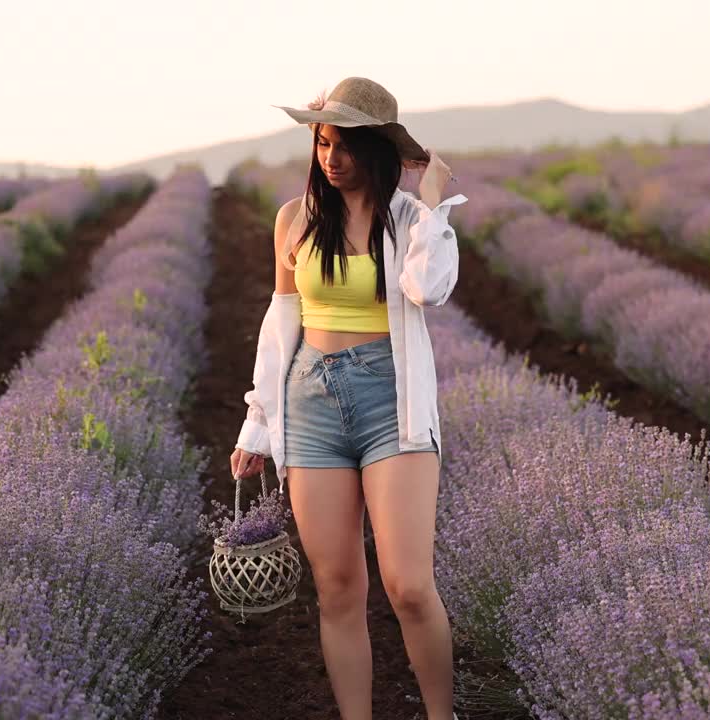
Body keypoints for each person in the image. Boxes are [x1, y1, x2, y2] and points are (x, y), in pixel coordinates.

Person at [230, 76, 467, 720]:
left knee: (409, 586)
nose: (331, 159)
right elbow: (280, 325)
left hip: (391, 398)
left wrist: (434, 199)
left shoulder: (409, 218)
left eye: (345, 147)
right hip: (310, 399)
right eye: (323, 144)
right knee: (337, 589)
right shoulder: (295, 220)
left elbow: (429, 289)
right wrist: (257, 425)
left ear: (379, 151)